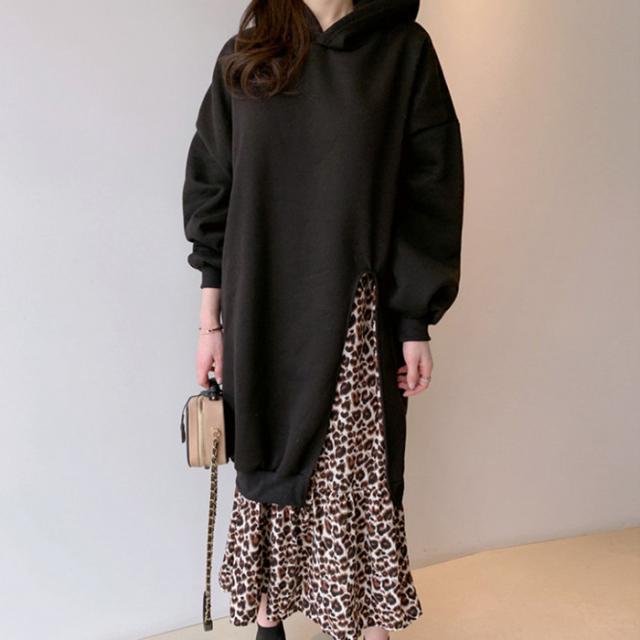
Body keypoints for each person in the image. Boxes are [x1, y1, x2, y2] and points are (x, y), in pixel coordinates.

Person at [182, 0, 464, 638]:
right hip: (260, 306)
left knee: (352, 474)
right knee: (266, 456)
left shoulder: (402, 51)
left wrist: (415, 320)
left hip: (355, 314)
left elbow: (428, 190)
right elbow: (212, 187)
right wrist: (210, 324)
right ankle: (269, 620)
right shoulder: (247, 55)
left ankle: (364, 622)